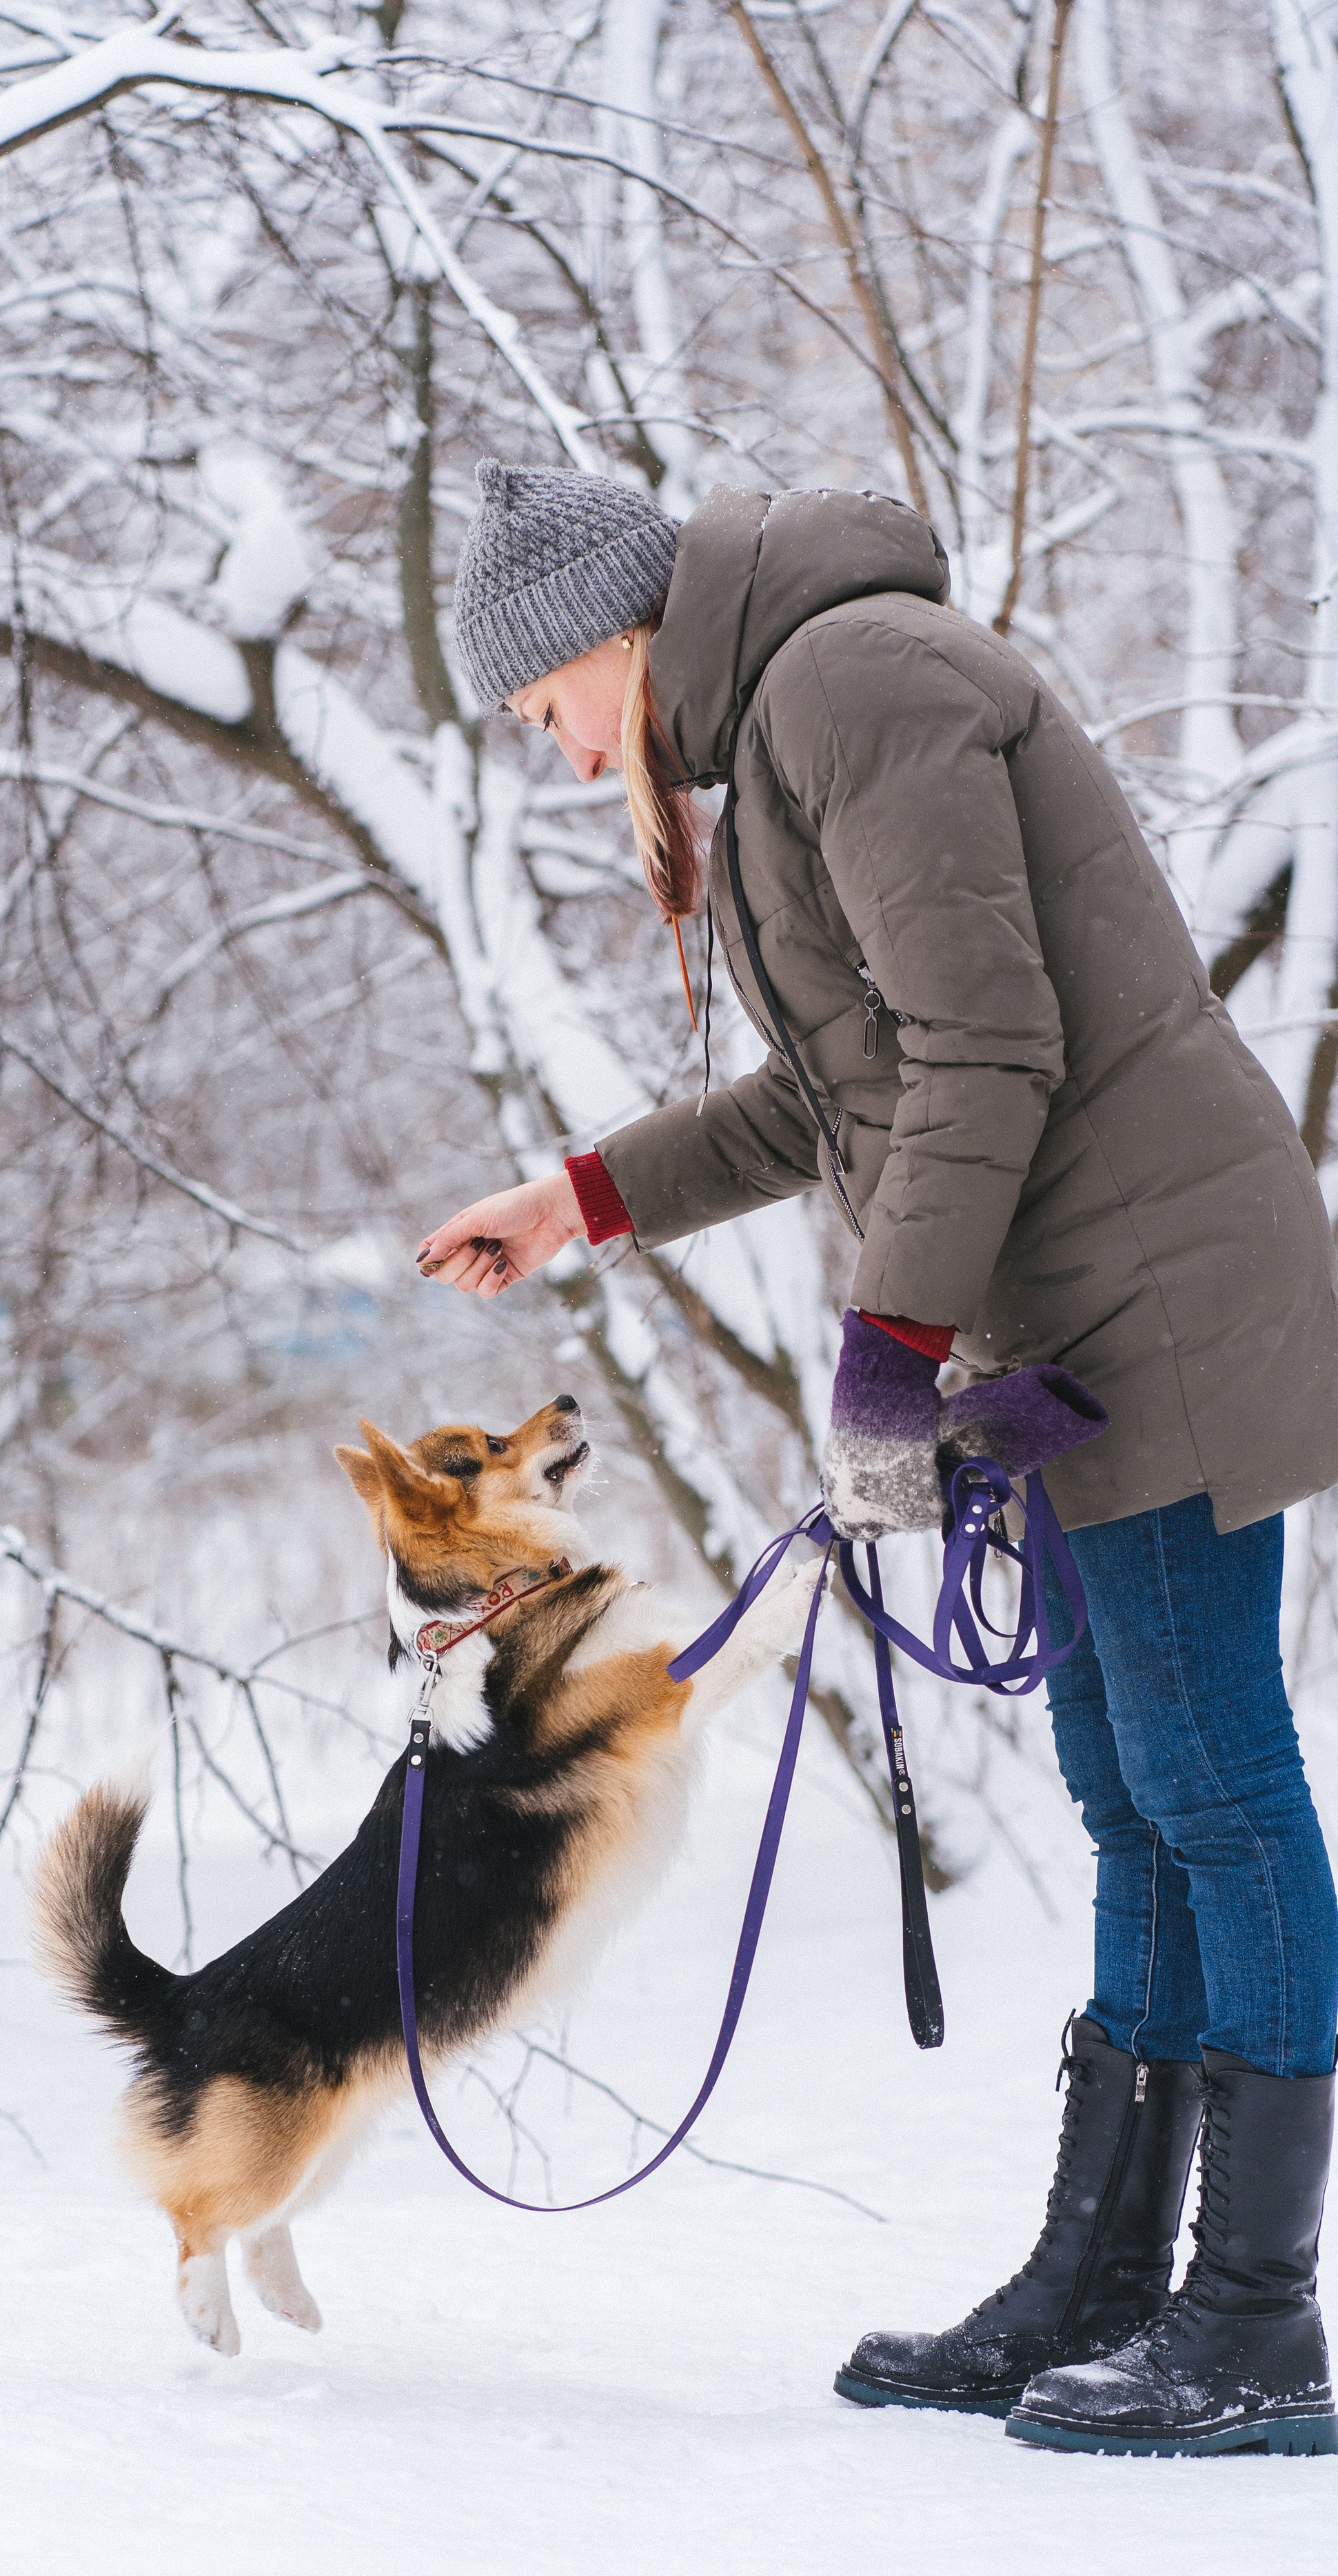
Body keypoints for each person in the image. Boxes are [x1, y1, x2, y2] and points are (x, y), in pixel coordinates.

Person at [416, 457, 1338, 2459]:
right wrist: (579, 1196)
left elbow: (988, 1046)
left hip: (1159, 1297)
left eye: (544, 709)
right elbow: (844, 1095)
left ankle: (1257, 2317)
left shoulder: (855, 683)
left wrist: (889, 1354)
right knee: (1128, 1784)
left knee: (1209, 1779)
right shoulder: (788, 735)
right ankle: (1107, 2282)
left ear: (610, 636)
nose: (568, 755)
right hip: (1066, 1320)